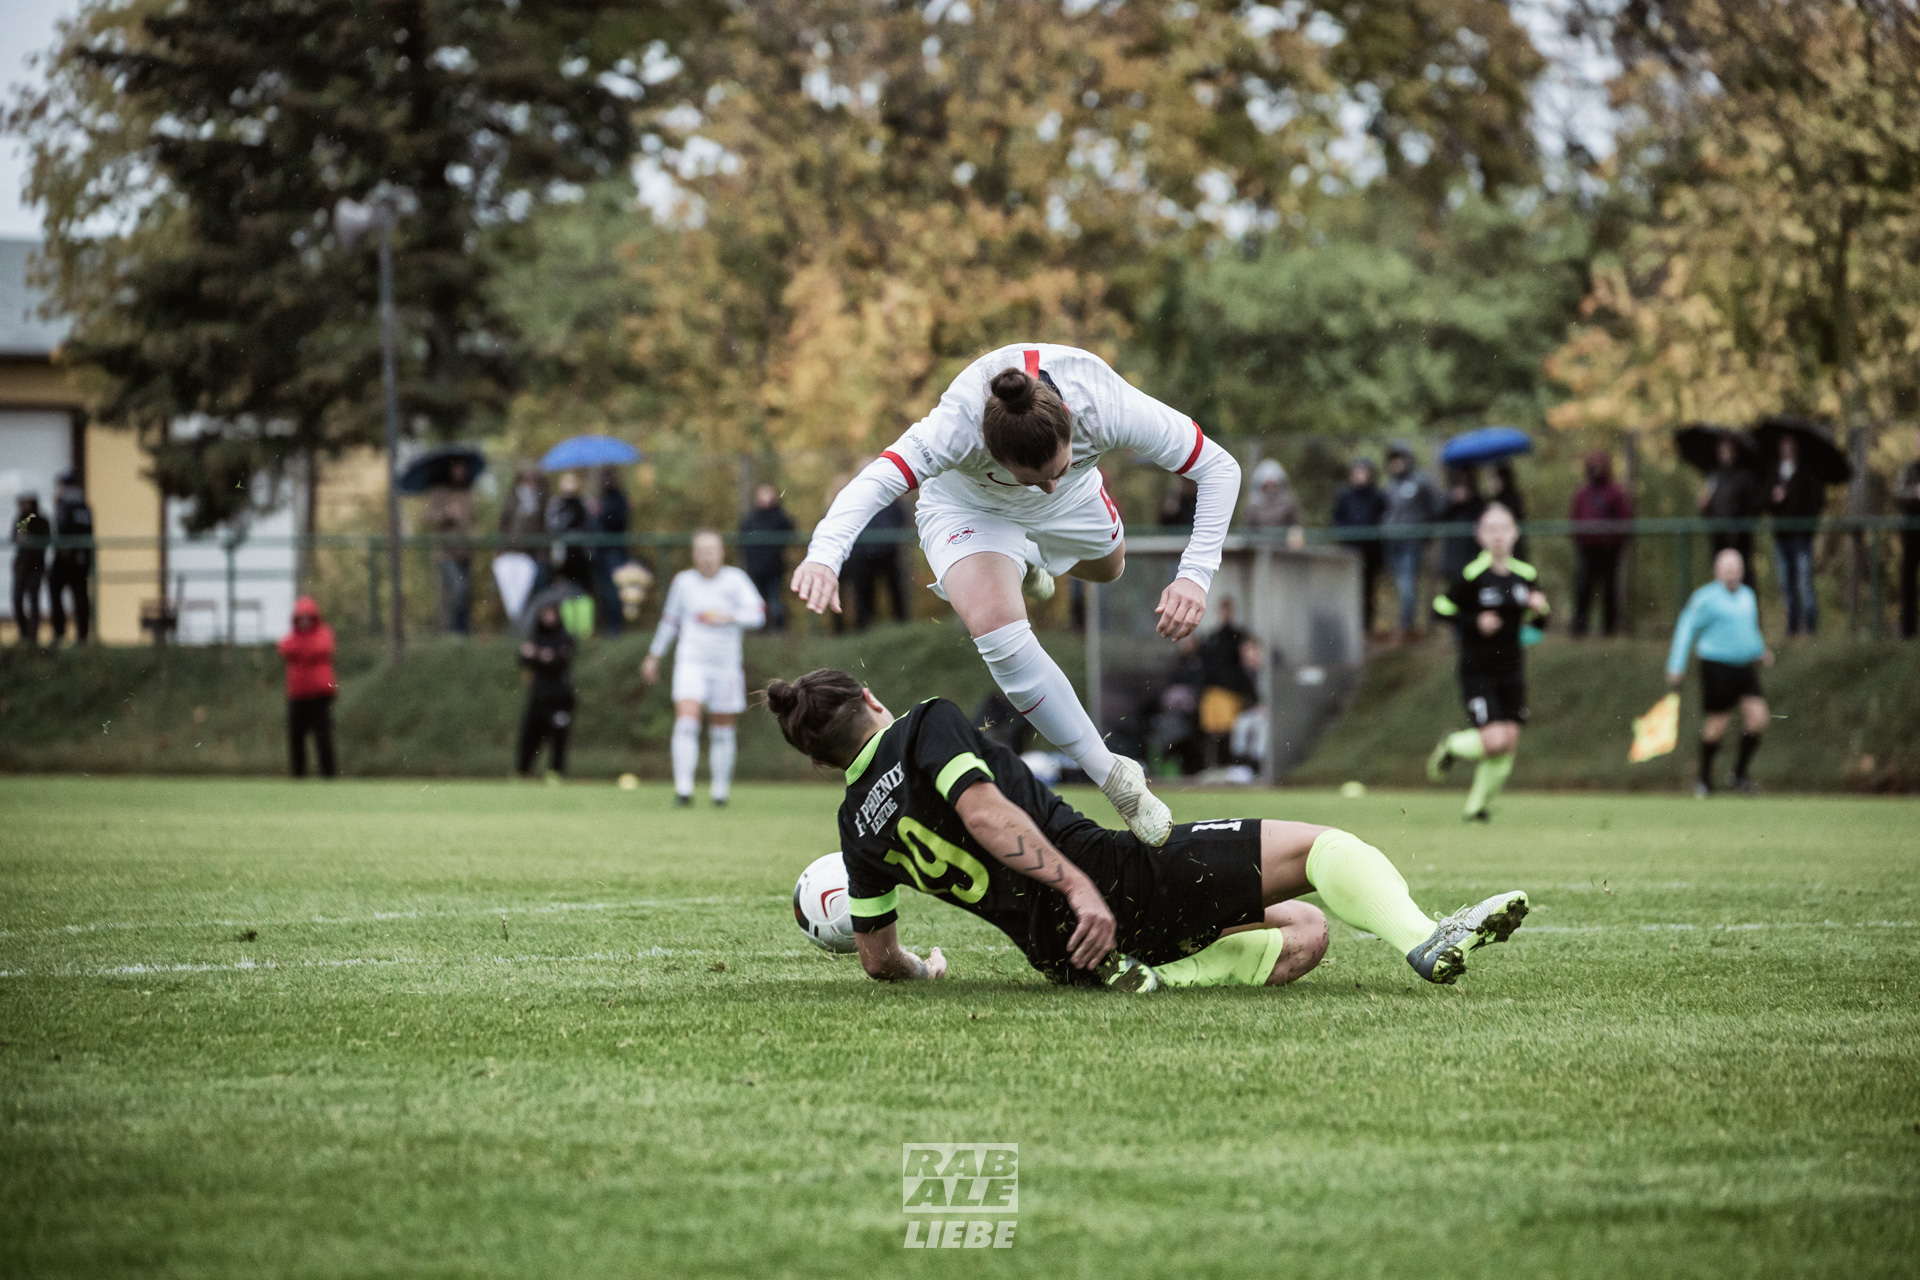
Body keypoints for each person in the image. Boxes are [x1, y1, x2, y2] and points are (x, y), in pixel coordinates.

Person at [762, 668, 1530, 989]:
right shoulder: (925, 724)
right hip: (1113, 885)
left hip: (1062, 956)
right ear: (868, 696)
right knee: (1330, 848)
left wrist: (924, 970)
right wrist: (1076, 883)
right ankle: (1424, 938)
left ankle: (1164, 976)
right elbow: (983, 812)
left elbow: (874, 957)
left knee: (1306, 929)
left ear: (820, 757)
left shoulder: (854, 827)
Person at [791, 343, 1243, 848]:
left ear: (1070, 419)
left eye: (1057, 466)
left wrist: (1194, 575)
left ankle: (1030, 561)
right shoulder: (954, 428)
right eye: (1034, 477)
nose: (1045, 486)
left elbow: (1220, 468)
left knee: (1109, 570)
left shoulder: (1104, 403)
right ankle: (1115, 778)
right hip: (969, 510)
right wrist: (824, 555)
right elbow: (876, 481)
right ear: (986, 443)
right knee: (995, 629)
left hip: (1075, 505)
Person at [1425, 505, 1550, 822]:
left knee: (1508, 744)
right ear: (1480, 535)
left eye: (1503, 528)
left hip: (1512, 669)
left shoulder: (1526, 575)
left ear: (1514, 533)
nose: (1497, 535)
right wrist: (1473, 620)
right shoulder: (1471, 575)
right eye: (1490, 529)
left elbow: (1539, 625)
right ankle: (1451, 745)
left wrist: (1539, 610)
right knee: (1494, 740)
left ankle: (1475, 807)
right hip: (1477, 668)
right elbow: (1439, 608)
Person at [644, 529, 766, 806]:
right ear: (694, 555)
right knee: (687, 719)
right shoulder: (683, 583)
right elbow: (670, 622)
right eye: (702, 552)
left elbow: (758, 614)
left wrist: (728, 616)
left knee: (722, 727)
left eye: (712, 551)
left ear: (721, 552)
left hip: (725, 664)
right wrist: (654, 655)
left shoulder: (735, 580)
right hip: (691, 661)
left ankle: (719, 792)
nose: (707, 557)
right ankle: (683, 790)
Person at [1667, 548, 1771, 797]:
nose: (1731, 572)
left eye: (1735, 567)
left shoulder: (1747, 596)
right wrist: (1675, 665)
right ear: (1717, 571)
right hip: (1716, 667)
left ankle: (1738, 774)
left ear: (1742, 570)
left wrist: (1760, 650)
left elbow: (1749, 630)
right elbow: (1685, 628)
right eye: (1726, 568)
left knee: (1758, 719)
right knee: (1717, 725)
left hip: (1744, 667)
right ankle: (1703, 780)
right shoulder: (1705, 598)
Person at [1569, 450, 1633, 637]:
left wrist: (1612, 539)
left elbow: (1625, 519)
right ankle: (1579, 629)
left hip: (1608, 549)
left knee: (1608, 589)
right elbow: (1574, 517)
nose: (1597, 469)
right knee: (1583, 587)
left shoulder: (1615, 492)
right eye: (1593, 465)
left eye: (1600, 465)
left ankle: (1609, 629)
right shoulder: (1582, 493)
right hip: (1587, 548)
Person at [1381, 442, 1441, 639]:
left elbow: (1434, 508)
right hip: (1391, 542)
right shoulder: (1390, 485)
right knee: (1398, 584)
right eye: (1393, 459)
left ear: (1407, 459)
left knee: (1407, 584)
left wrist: (1425, 533)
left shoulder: (1420, 482)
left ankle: (1407, 625)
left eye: (1399, 459)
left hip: (1412, 542)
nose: (1396, 463)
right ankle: (1402, 624)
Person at [1766, 434, 1824, 636]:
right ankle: (1792, 627)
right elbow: (1765, 500)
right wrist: (1775, 498)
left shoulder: (1806, 471)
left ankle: (1810, 627)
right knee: (1785, 582)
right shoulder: (1775, 472)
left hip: (1801, 535)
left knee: (1804, 580)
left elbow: (1817, 500)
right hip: (1781, 535)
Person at [277, 596, 338, 778]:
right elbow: (283, 648)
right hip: (298, 696)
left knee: (323, 738)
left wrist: (300, 651)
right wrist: (304, 650)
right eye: (301, 618)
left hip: (319, 695)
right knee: (296, 738)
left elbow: (320, 647)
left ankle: (329, 776)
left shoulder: (323, 633)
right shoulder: (295, 637)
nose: (304, 622)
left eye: (307, 618)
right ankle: (298, 776)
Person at [517, 601, 575, 779]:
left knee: (558, 737)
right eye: (545, 614)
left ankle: (556, 772)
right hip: (538, 696)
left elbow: (558, 661)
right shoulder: (536, 636)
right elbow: (524, 658)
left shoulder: (565, 637)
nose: (548, 618)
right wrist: (540, 655)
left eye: (551, 614)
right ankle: (522, 771)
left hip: (559, 697)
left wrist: (539, 655)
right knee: (530, 735)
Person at [1330, 458, 1387, 634]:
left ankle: (1365, 628)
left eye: (1364, 473)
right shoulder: (1344, 495)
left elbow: (1383, 520)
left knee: (1368, 591)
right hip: (1349, 551)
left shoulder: (1377, 496)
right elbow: (1336, 519)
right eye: (1357, 472)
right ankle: (1347, 627)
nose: (1360, 476)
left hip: (1371, 553)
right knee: (1348, 591)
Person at [842, 489, 913, 630]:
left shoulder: (892, 501)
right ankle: (865, 629)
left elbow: (901, 521)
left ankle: (902, 626)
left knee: (896, 591)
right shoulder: (854, 502)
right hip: (862, 556)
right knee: (864, 595)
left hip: (888, 553)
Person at [1198, 597, 1256, 768]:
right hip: (1213, 691)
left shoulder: (1238, 636)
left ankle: (1231, 766)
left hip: (1230, 692)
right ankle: (1213, 766)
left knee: (1229, 731)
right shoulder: (1212, 637)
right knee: (1212, 732)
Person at [1699, 436, 1761, 589]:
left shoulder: (1745, 477)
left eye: (1728, 450)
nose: (1725, 454)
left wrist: (1740, 523)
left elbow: (1753, 506)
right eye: (1722, 450)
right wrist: (1704, 506)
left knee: (1743, 576)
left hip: (1739, 538)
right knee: (1720, 576)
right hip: (1718, 536)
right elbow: (1710, 508)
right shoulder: (1714, 476)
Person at [422, 459, 476, 634]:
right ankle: (452, 631)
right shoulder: (438, 492)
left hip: (466, 551)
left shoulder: (468, 492)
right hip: (445, 552)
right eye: (457, 467)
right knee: (455, 590)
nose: (461, 471)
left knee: (466, 593)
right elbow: (428, 518)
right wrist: (446, 514)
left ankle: (463, 633)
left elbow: (474, 520)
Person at [739, 484, 796, 633]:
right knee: (756, 602)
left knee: (775, 601)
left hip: (774, 569)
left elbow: (791, 530)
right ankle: (759, 632)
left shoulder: (779, 517)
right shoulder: (751, 518)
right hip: (755, 569)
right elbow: (742, 541)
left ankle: (779, 632)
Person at [47, 472, 93, 644]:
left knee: (80, 596)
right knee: (55, 588)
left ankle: (82, 634)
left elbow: (82, 531)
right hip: (62, 559)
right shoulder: (62, 506)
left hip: (77, 560)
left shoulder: (79, 507)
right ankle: (59, 631)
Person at [593, 470, 633, 636]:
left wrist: (602, 512)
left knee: (614, 590)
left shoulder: (619, 498)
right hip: (600, 551)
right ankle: (609, 625)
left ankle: (615, 627)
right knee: (604, 590)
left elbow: (619, 522)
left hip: (614, 551)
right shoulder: (600, 498)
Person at [1435, 467, 1487, 583]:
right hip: (1453, 550)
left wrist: (1470, 500)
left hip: (1472, 547)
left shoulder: (1477, 497)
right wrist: (1453, 501)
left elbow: (1482, 515)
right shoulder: (1448, 495)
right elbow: (1439, 515)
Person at [11, 491, 48, 645]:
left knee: (33, 601)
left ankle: (32, 636)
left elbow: (45, 540)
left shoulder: (41, 520)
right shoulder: (21, 519)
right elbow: (16, 537)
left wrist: (31, 539)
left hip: (35, 567)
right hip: (21, 567)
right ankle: (23, 633)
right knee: (17, 600)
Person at [545, 473, 593, 593]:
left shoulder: (583, 502)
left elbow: (589, 525)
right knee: (563, 587)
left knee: (582, 588)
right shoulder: (557, 504)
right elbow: (552, 525)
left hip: (581, 553)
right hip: (563, 554)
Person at [1242, 458, 1302, 533]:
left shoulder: (1288, 502)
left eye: (1273, 485)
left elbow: (1296, 527)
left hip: (1281, 543)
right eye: (1266, 486)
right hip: (1260, 543)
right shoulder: (1252, 506)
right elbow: (1247, 531)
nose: (1270, 489)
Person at [1900, 458, 1920, 640]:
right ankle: (1908, 629)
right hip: (1912, 533)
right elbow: (1897, 493)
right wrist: (1914, 492)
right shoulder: (1910, 469)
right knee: (1908, 580)